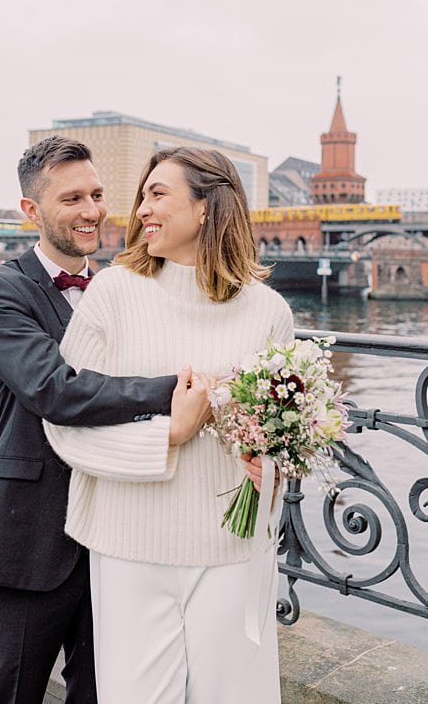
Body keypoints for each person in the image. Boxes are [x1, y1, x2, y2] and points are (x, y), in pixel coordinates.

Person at [0, 136, 214, 704]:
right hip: (26, 539)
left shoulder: (126, 290)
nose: (92, 210)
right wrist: (182, 390)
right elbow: (56, 391)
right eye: (71, 198)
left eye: (96, 194)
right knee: (5, 695)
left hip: (118, 538)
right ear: (31, 211)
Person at [43, 147, 292, 704]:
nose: (140, 210)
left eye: (158, 194)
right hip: (129, 543)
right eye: (142, 196)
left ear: (206, 207)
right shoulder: (112, 294)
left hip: (233, 546)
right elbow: (64, 426)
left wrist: (272, 466)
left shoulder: (267, 310)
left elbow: (280, 432)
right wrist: (167, 437)